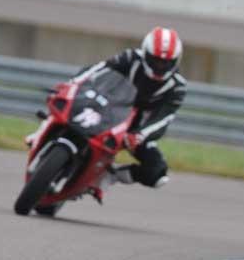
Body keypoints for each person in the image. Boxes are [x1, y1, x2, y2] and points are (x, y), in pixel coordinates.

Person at [72, 27, 187, 189]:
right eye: (155, 60)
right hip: (104, 108)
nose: (160, 66)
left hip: (133, 130)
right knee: (68, 109)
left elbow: (164, 118)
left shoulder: (177, 87)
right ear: (146, 53)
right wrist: (74, 83)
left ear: (176, 61)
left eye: (166, 63)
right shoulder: (130, 58)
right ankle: (40, 133)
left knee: (157, 173)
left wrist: (139, 135)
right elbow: (99, 68)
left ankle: (110, 176)